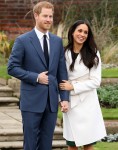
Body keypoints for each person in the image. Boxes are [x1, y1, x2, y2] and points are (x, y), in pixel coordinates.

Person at [7, 1, 69, 150]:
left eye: (51, 16)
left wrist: (65, 98)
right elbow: (12, 67)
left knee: (46, 145)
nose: (49, 20)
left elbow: (62, 72)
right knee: (30, 144)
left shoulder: (57, 41)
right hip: (31, 102)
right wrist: (36, 77)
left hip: (51, 102)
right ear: (36, 15)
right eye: (45, 16)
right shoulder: (22, 41)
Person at [59, 20, 107, 150]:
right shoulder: (63, 52)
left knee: (88, 145)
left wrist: (73, 86)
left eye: (86, 32)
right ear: (73, 32)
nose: (82, 34)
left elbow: (96, 81)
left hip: (88, 104)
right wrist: (62, 99)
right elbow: (60, 78)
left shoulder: (94, 53)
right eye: (79, 31)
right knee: (72, 144)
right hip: (70, 104)